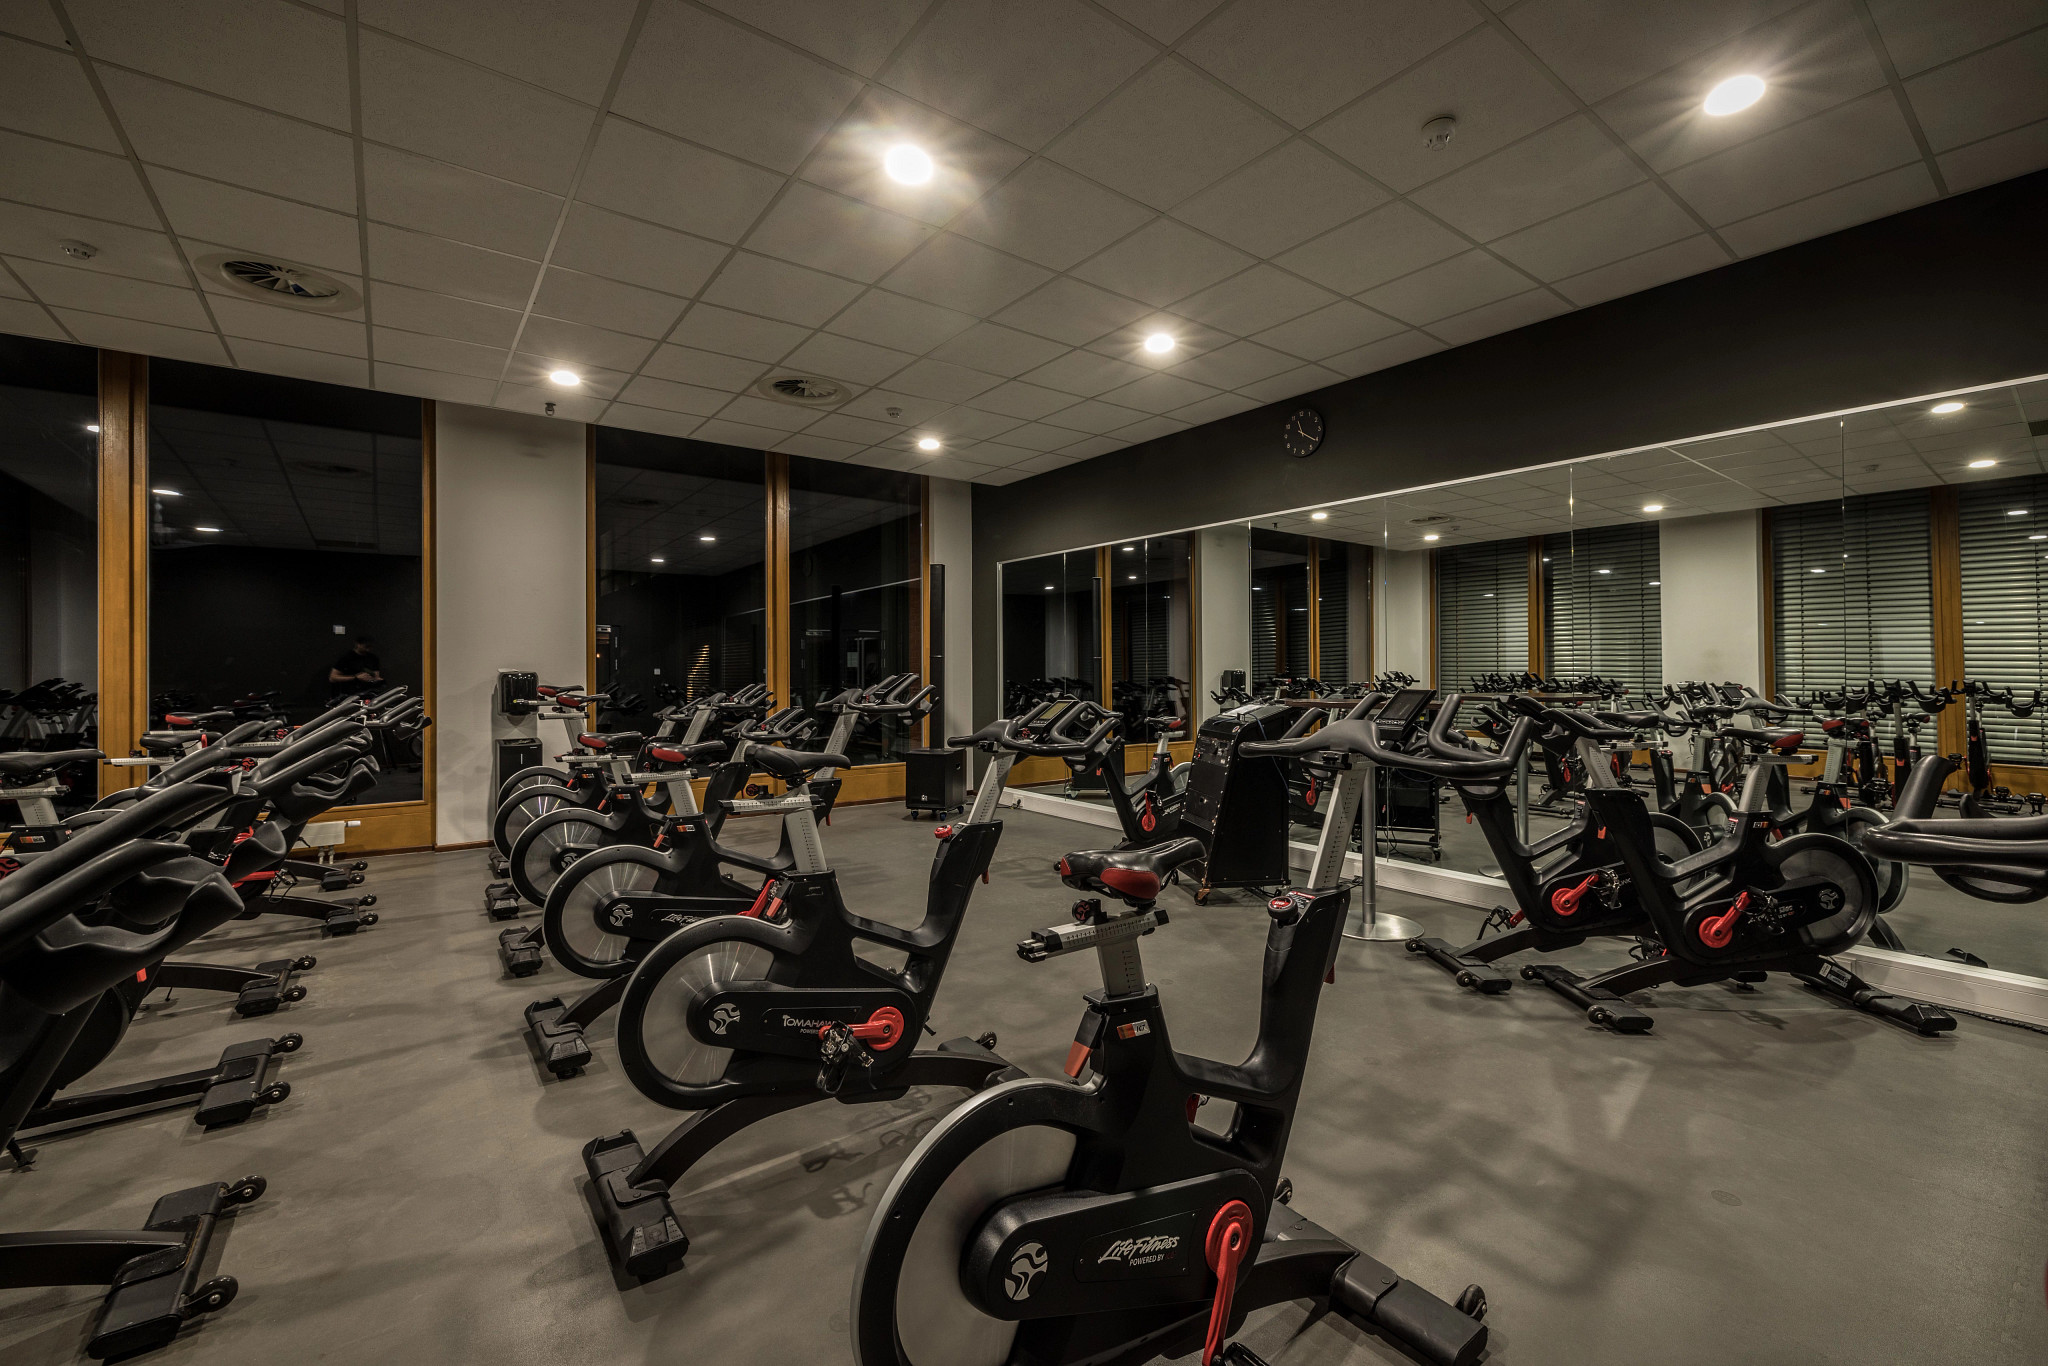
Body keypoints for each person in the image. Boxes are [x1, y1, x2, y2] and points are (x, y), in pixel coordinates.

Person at [329, 635, 384, 700]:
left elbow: (376, 675)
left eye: (370, 647)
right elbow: (332, 678)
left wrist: (377, 679)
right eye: (366, 647)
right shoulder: (346, 658)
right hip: (349, 694)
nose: (368, 650)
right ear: (358, 644)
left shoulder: (373, 658)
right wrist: (355, 678)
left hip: (367, 692)